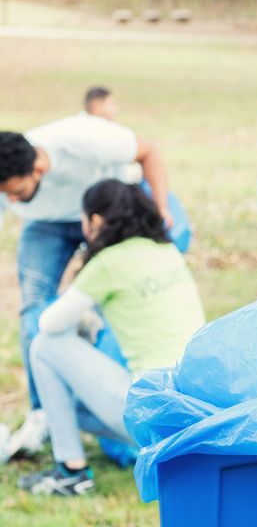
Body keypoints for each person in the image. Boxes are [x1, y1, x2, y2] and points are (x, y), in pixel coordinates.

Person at [16, 179, 204, 495]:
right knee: (64, 404)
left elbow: (49, 324)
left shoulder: (109, 262)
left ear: (97, 220)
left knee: (45, 346)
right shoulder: (166, 248)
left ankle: (71, 472)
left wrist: (79, 265)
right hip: (192, 409)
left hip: (149, 411)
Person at [0, 115, 171, 456]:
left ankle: (119, 407)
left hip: (99, 217)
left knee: (105, 308)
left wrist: (162, 210)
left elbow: (150, 152)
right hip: (44, 226)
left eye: (17, 192)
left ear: (38, 169)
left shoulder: (85, 139)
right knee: (35, 309)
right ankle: (43, 414)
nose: (13, 202)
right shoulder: (9, 174)